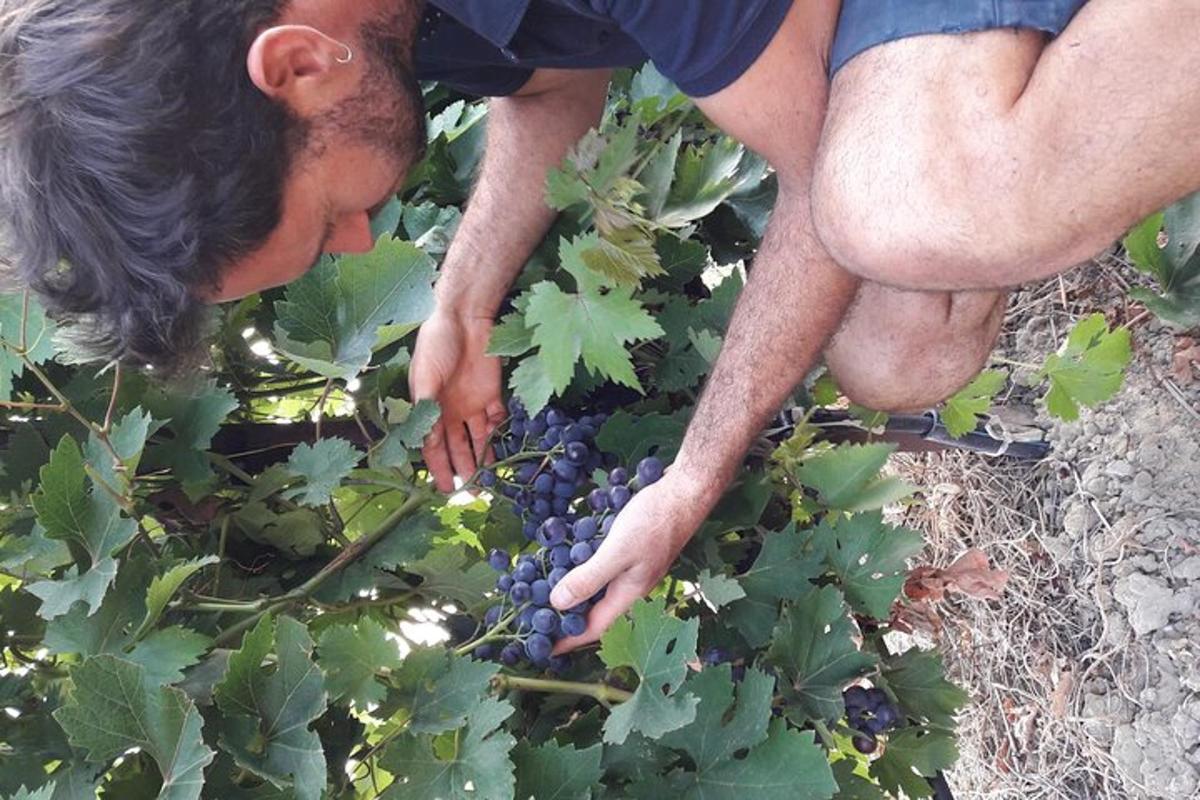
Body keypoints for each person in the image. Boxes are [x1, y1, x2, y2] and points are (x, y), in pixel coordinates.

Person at [0, 1, 1185, 652]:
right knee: (899, 347)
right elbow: (556, 82)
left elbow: (821, 170)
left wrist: (689, 477)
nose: (359, 248)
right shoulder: (383, 25)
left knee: (914, 203)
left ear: (299, 64)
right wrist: (463, 302)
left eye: (325, 223)